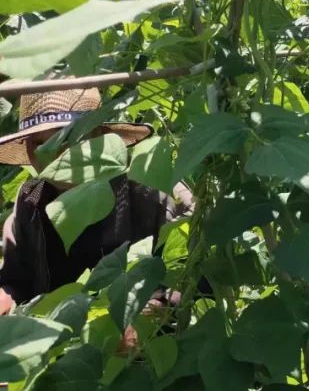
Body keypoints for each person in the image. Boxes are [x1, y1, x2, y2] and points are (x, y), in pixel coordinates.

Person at [0, 86, 192, 315]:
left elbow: (198, 278)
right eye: (38, 144)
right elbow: (15, 280)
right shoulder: (31, 201)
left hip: (146, 339)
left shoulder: (151, 189)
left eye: (65, 137)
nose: (53, 154)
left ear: (99, 135)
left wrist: (145, 316)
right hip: (56, 340)